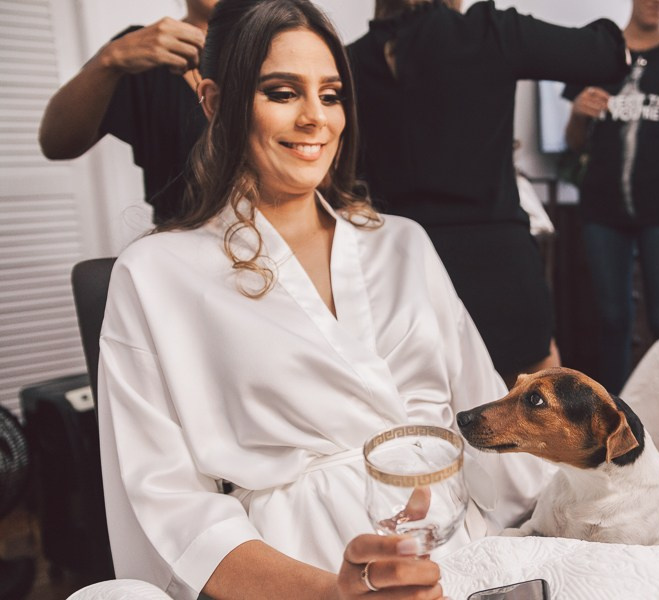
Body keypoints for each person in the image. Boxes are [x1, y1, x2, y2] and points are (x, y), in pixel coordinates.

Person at [96, 1, 552, 598]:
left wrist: (598, 505)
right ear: (213, 102)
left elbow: (491, 421)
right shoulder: (155, 274)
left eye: (331, 94)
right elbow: (167, 506)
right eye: (283, 92)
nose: (316, 118)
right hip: (299, 568)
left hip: (459, 555)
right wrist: (332, 592)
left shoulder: (403, 244)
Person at [346, 0, 630, 386]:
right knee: (534, 422)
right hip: (499, 271)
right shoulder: (490, 33)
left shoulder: (350, 59)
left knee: (426, 415)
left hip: (401, 273)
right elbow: (609, 57)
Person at [563, 0, 659, 394]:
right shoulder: (597, 50)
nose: (658, 2)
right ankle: (613, 416)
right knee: (612, 320)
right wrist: (579, 113)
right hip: (602, 212)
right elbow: (574, 143)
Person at [38, 1, 218, 224]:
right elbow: (57, 144)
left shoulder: (271, 47)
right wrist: (108, 61)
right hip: (183, 244)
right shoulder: (144, 52)